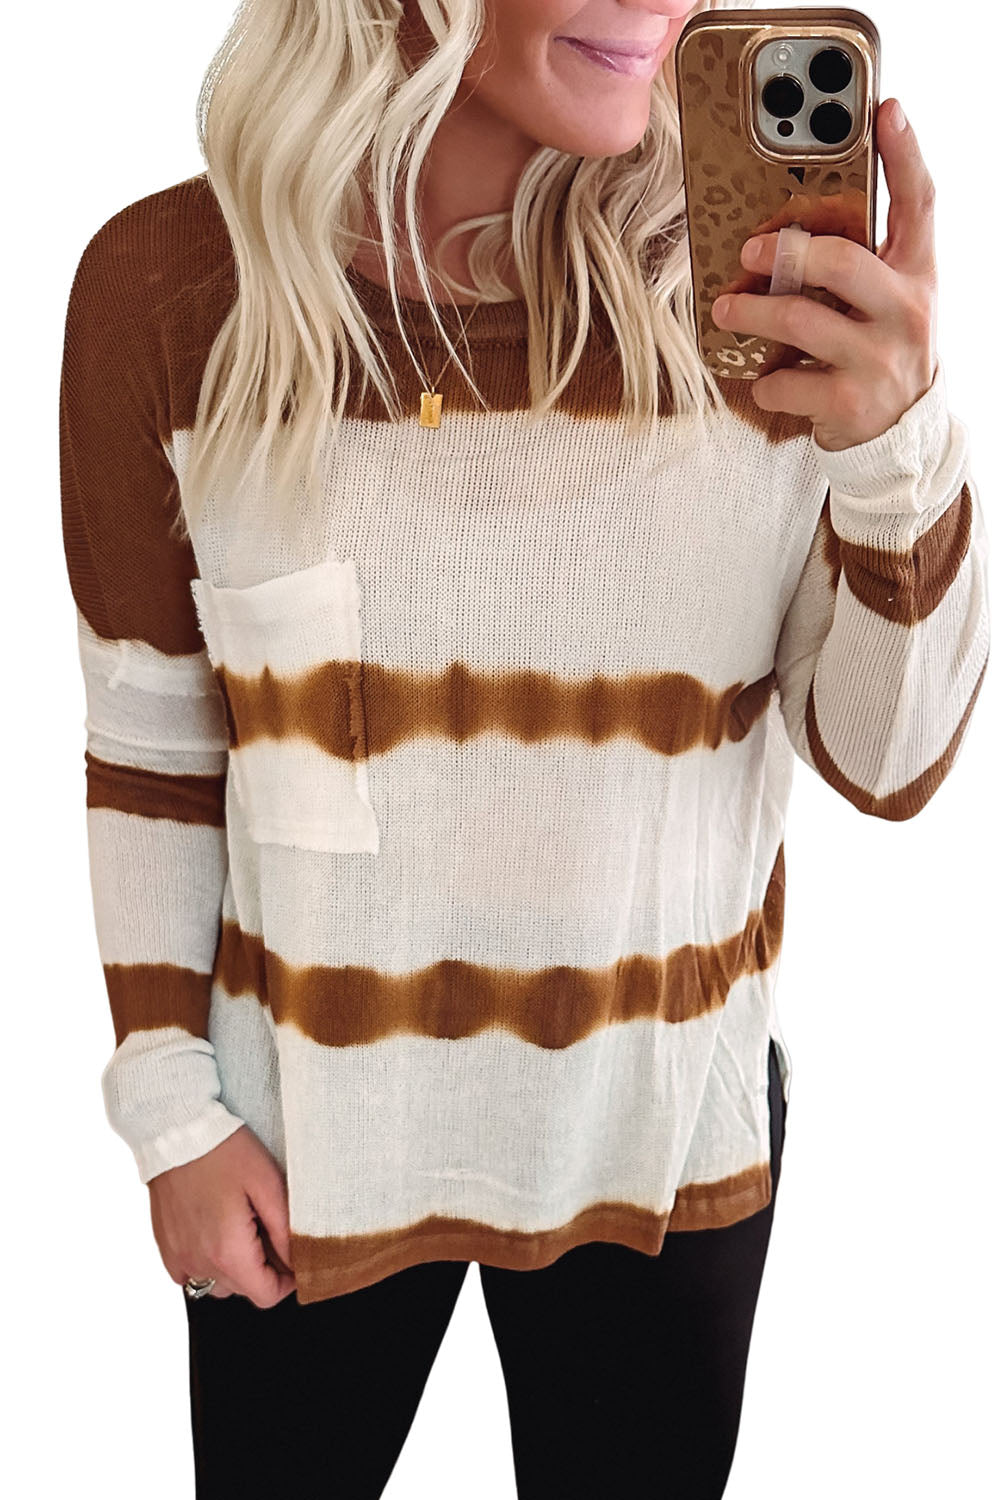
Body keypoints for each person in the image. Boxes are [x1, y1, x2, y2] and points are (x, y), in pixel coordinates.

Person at [58, 1, 989, 1496]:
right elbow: (155, 743)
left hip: (665, 1144)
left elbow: (891, 765)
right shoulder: (173, 292)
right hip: (301, 1153)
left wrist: (901, 449)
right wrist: (173, 1120)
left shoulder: (756, 297)